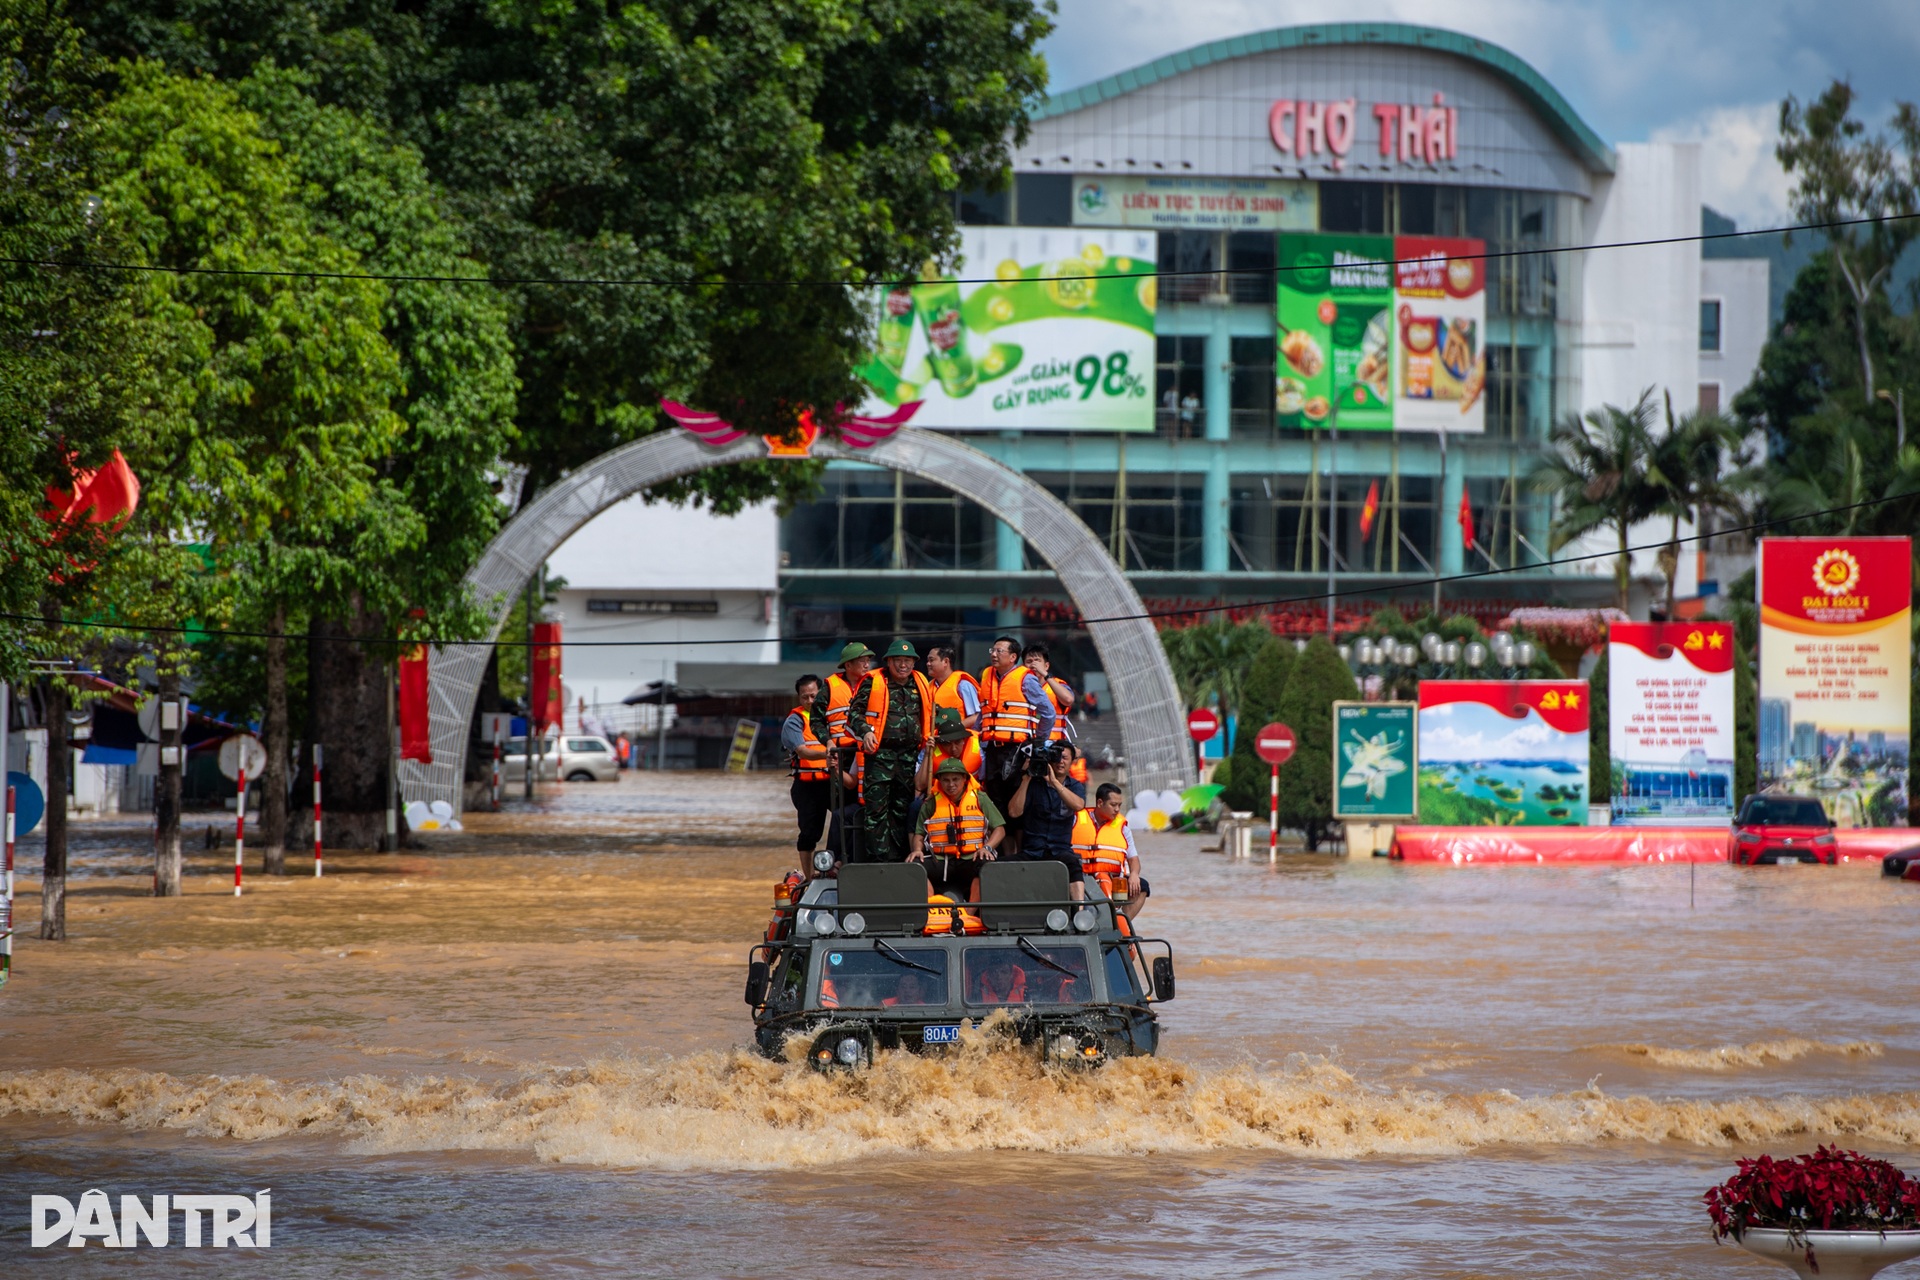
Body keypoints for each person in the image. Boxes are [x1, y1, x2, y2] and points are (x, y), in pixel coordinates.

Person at [848, 639, 935, 862]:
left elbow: (932, 711)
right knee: (876, 810)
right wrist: (866, 731)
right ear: (889, 661)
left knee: (902, 808)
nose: (903, 665)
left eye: (908, 661)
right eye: (899, 660)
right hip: (879, 755)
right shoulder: (874, 682)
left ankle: (900, 857)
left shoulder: (920, 683)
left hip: (908, 755)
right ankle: (879, 860)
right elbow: (853, 714)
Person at [976, 635, 1054, 855]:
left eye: (1000, 651)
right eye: (993, 649)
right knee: (996, 804)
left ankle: (1020, 854)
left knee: (1017, 808)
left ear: (1013, 657)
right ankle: (1005, 855)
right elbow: (984, 713)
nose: (993, 654)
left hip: (1016, 751)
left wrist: (1037, 743)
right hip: (992, 750)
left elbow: (1048, 712)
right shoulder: (986, 676)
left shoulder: (1025, 679)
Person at [908, 757, 1005, 901]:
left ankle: (970, 913)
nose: (951, 784)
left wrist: (988, 848)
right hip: (942, 861)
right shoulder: (931, 802)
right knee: (914, 867)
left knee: (987, 865)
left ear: (964, 779)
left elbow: (1000, 829)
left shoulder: (980, 798)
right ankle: (930, 911)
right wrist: (917, 850)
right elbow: (919, 834)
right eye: (946, 780)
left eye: (955, 779)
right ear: (939, 780)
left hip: (971, 858)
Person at [1007, 741, 1087, 902]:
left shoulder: (1075, 786)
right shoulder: (1034, 784)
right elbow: (1014, 812)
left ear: (1072, 761)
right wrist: (1027, 778)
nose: (1060, 762)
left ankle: (1080, 913)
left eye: (1064, 758)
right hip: (1032, 851)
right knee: (995, 867)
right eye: (1056, 757)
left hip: (1060, 849)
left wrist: (1055, 783)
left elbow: (1078, 805)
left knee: (1074, 866)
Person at [811, 642, 875, 822]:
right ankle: (842, 849)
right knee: (842, 810)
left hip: (869, 755)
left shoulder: (875, 684)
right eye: (862, 661)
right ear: (848, 665)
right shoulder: (830, 686)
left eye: (868, 660)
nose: (866, 664)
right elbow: (816, 720)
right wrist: (828, 741)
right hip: (843, 758)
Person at [1072, 783, 1147, 919]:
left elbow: (1133, 859)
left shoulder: (1123, 828)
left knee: (1143, 886)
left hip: (1111, 879)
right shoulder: (1076, 819)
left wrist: (1134, 874)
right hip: (1079, 877)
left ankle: (1121, 923)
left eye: (1119, 805)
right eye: (1113, 805)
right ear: (1100, 803)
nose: (1117, 809)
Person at [782, 674, 832, 857]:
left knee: (844, 822)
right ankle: (810, 877)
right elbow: (802, 751)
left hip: (833, 780)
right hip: (807, 786)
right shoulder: (794, 721)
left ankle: (837, 865)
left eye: (814, 696)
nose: (810, 700)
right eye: (805, 697)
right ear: (799, 698)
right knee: (809, 833)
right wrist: (828, 754)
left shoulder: (832, 716)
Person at [917, 706, 983, 790]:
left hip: (970, 795)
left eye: (957, 742)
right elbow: (919, 786)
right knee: (917, 803)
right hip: (940, 795)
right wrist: (927, 754)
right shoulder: (929, 745)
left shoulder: (978, 744)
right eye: (947, 743)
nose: (953, 749)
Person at [1022, 643, 1075, 747]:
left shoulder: (1058, 684)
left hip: (1054, 744)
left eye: (1037, 660)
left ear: (1046, 666)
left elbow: (1068, 700)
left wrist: (1046, 675)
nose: (1033, 664)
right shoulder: (1019, 685)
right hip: (1026, 745)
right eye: (1029, 661)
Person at [927, 645, 983, 732]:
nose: (928, 664)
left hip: (960, 742)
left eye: (931, 660)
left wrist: (954, 729)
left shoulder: (963, 686)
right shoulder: (928, 687)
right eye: (928, 661)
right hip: (935, 741)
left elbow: (977, 716)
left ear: (945, 661)